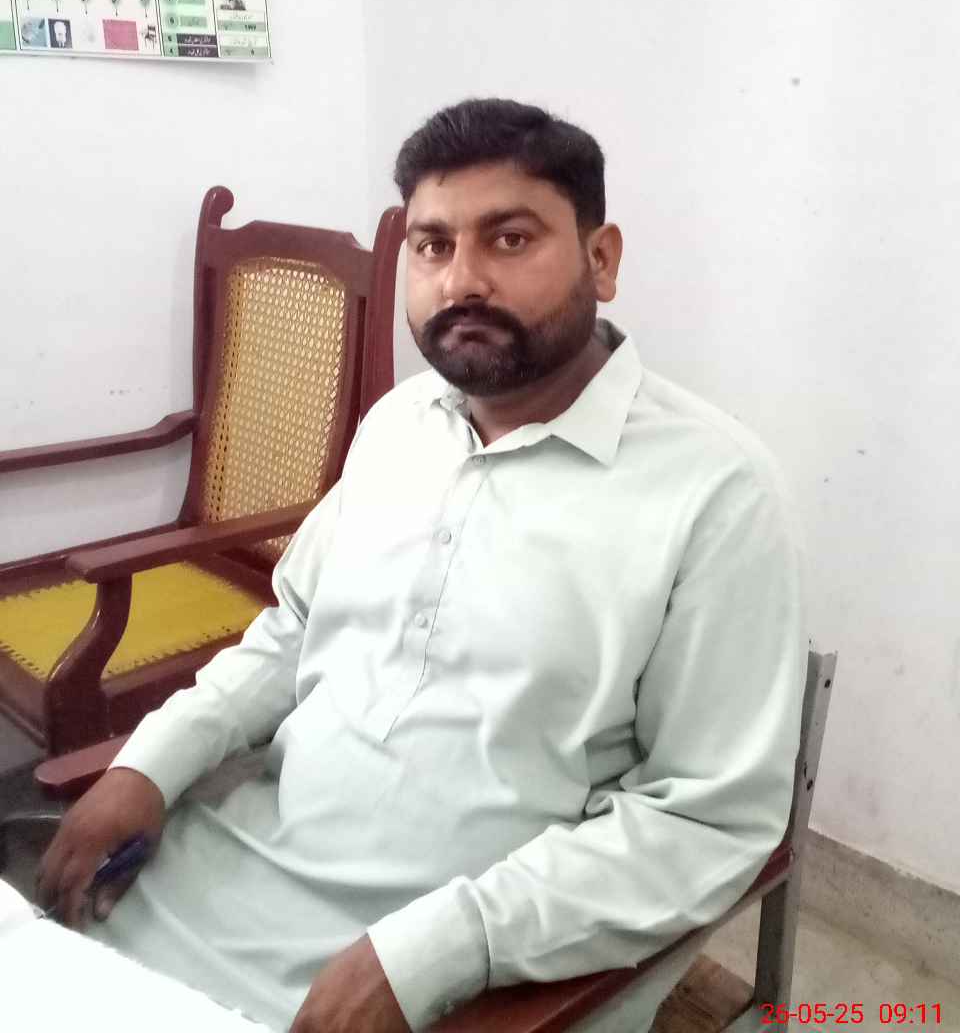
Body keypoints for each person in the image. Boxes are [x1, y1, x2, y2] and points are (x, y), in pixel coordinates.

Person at [38, 98, 806, 1033]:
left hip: (468, 974)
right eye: (432, 246)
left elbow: (706, 820)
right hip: (228, 873)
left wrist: (438, 952)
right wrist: (150, 766)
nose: (461, 281)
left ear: (601, 259)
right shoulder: (400, 423)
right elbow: (293, 631)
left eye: (510, 239)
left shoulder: (715, 494)